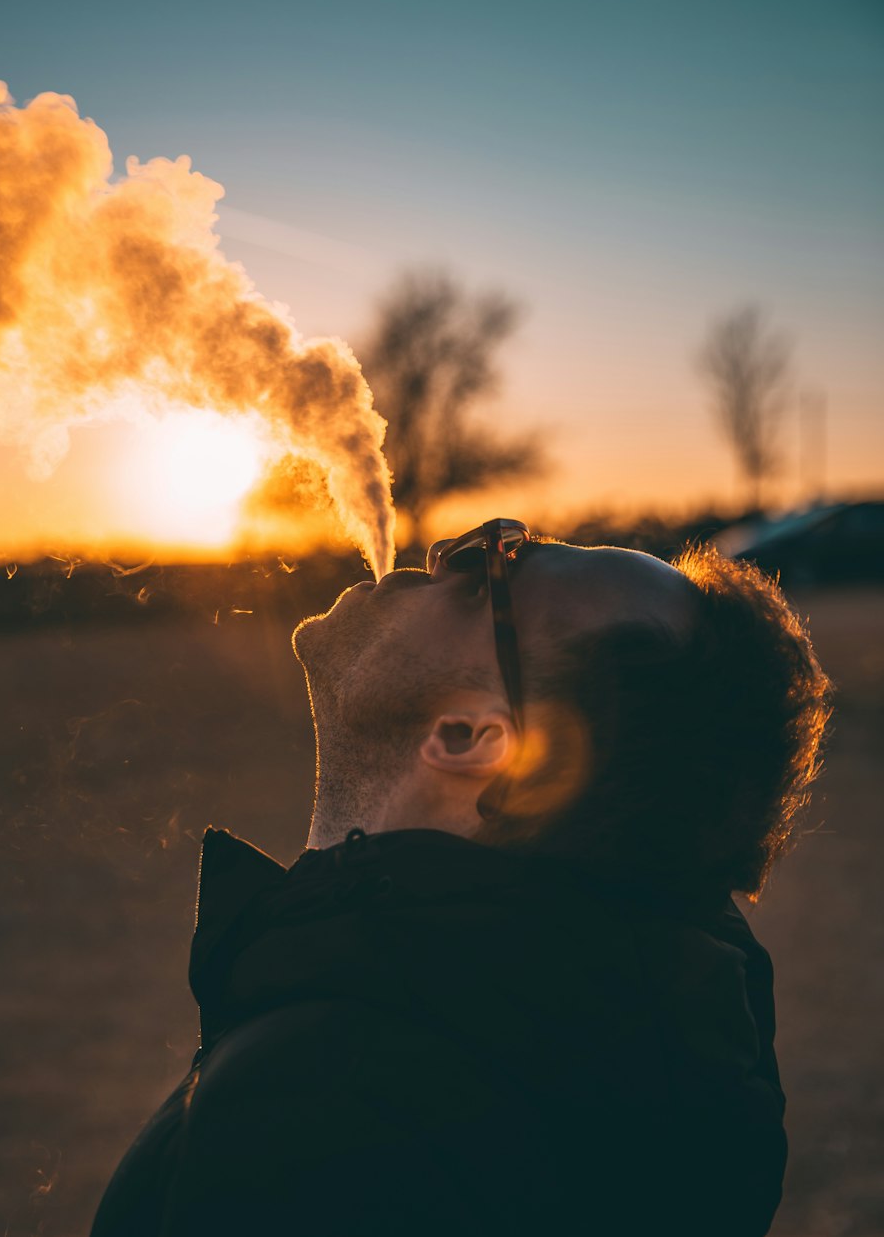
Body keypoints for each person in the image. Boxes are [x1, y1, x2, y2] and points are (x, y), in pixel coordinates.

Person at [90, 520, 829, 1237]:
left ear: (473, 738)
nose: (448, 550)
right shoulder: (647, 1042)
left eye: (492, 575)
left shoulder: (321, 1110)